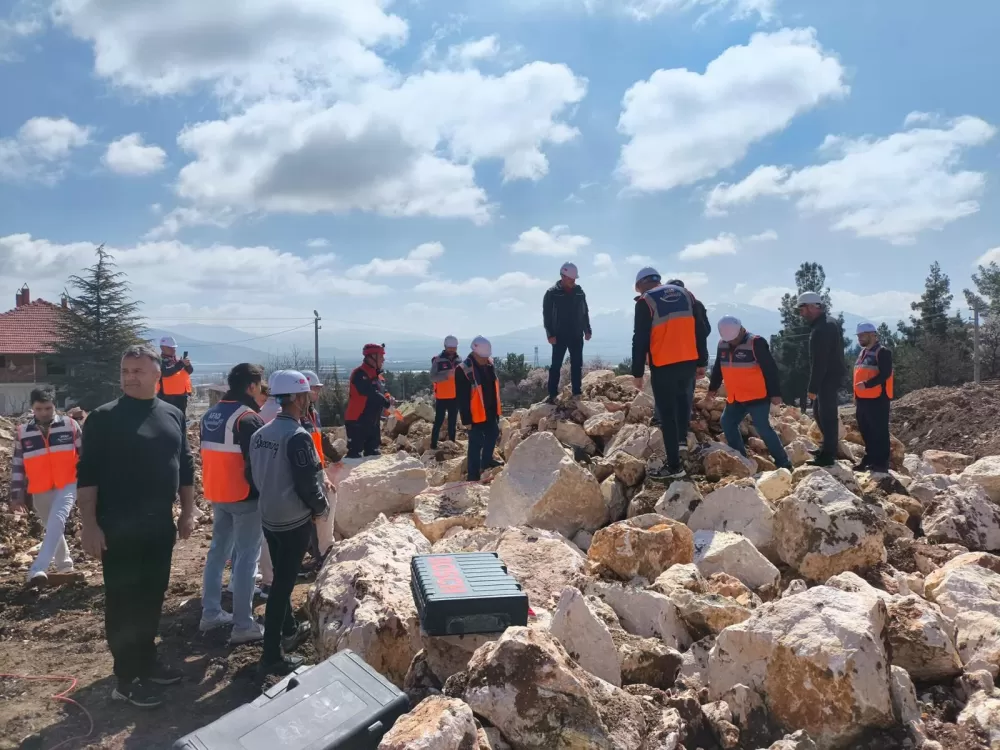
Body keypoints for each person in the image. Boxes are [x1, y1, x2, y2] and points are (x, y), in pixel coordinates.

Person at [78, 344, 195, 709]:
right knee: (124, 602)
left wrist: (188, 512)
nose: (129, 377)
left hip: (159, 525)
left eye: (138, 371)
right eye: (125, 371)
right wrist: (89, 526)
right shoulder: (103, 418)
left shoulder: (172, 415)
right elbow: (88, 476)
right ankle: (126, 679)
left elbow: (185, 466)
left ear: (157, 375)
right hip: (118, 527)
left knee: (152, 595)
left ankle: (147, 661)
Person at [248, 370, 329, 676]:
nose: (309, 399)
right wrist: (320, 509)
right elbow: (308, 483)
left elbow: (254, 477)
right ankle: (271, 656)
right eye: (307, 394)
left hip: (269, 517)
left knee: (281, 575)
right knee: (282, 587)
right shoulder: (297, 436)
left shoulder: (260, 434)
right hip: (293, 521)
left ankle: (291, 628)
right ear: (297, 398)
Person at [199, 363, 266, 644]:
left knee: (217, 553)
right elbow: (258, 466)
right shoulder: (247, 418)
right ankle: (243, 625)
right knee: (247, 559)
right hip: (244, 497)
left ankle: (211, 613)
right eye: (260, 384)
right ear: (250, 386)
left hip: (218, 494)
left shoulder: (210, 415)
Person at [631, 267, 709, 480]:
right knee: (684, 402)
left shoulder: (645, 301)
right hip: (688, 361)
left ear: (640, 285)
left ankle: (674, 466)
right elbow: (700, 328)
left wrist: (637, 372)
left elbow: (640, 339)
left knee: (666, 414)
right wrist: (702, 361)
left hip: (664, 365)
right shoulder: (686, 295)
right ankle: (682, 443)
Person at [10, 388, 84, 588]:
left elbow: (84, 454)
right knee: (52, 526)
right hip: (39, 487)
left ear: (55, 405)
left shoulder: (70, 425)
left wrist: (89, 483)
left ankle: (37, 568)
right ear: (32, 408)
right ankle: (65, 565)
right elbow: (18, 464)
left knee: (58, 520)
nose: (44, 412)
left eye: (48, 408)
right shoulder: (23, 432)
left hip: (68, 482)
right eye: (39, 408)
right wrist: (16, 495)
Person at [706, 316, 791, 470]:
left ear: (741, 330)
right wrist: (712, 388)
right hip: (736, 397)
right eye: (729, 339)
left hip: (757, 396)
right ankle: (741, 459)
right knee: (727, 422)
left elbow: (770, 369)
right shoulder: (722, 344)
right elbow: (718, 367)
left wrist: (775, 393)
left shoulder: (755, 343)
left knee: (762, 427)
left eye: (734, 339)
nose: (731, 342)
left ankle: (783, 462)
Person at [797, 291, 846, 467]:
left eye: (802, 309)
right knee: (819, 412)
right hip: (831, 375)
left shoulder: (821, 329)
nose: (801, 314)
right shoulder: (827, 323)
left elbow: (820, 363)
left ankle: (828, 455)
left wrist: (812, 388)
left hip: (828, 377)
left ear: (811, 307)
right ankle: (827, 447)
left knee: (827, 416)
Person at [543, 262, 592, 403]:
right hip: (559, 335)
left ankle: (577, 392)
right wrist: (550, 334)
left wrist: (587, 329)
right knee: (556, 365)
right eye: (571, 278)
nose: (573, 281)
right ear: (563, 276)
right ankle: (552, 394)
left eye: (574, 278)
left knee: (577, 363)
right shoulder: (552, 293)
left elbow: (584, 311)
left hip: (576, 334)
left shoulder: (579, 291)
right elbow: (546, 315)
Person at [300, 370, 335, 563]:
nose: (317, 392)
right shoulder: (299, 417)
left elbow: (320, 442)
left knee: (317, 516)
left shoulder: (313, 414)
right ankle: (315, 555)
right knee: (310, 516)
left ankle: (317, 555)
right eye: (315, 388)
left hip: (318, 470)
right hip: (308, 472)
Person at [455, 336, 502, 481]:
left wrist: (496, 412)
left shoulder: (488, 364)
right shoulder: (463, 370)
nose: (485, 359)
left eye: (487, 356)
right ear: (474, 353)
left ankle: (486, 461)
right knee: (475, 444)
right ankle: (473, 475)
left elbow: (493, 389)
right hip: (474, 414)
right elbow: (462, 397)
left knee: (493, 434)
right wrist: (466, 419)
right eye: (482, 357)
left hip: (489, 410)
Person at [853, 322, 894, 473]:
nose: (859, 339)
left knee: (879, 431)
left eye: (862, 335)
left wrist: (868, 384)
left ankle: (881, 463)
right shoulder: (863, 353)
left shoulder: (882, 352)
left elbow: (885, 374)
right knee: (866, 430)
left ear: (872, 335)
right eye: (858, 336)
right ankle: (869, 458)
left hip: (878, 399)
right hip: (863, 399)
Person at [344, 344, 391, 459]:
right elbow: (371, 393)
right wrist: (385, 402)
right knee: (355, 455)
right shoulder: (359, 374)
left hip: (373, 422)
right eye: (380, 357)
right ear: (371, 357)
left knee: (373, 453)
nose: (383, 360)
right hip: (357, 422)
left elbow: (383, 392)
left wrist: (388, 398)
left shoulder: (379, 377)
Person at [430, 336, 461, 449]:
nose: (452, 350)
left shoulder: (459, 360)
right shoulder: (438, 360)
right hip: (442, 397)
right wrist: (447, 375)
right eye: (450, 348)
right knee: (438, 422)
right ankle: (433, 445)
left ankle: (452, 444)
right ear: (445, 347)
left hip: (455, 396)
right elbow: (433, 377)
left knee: (452, 423)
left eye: (454, 348)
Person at [156, 336, 194, 418]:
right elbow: (166, 372)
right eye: (171, 348)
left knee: (181, 419)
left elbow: (189, 371)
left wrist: (187, 365)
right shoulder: (159, 361)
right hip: (166, 398)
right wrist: (181, 364)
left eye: (174, 348)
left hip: (181, 397)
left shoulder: (178, 361)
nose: (174, 349)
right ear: (162, 348)